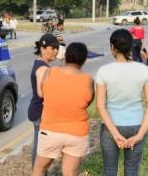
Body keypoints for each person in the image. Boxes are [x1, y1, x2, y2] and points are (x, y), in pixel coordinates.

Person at [32, 42, 93, 176]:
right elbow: (88, 101)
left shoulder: (49, 72)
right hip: (77, 132)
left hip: (50, 130)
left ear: (65, 56)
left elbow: (42, 94)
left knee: (39, 169)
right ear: (84, 60)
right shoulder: (88, 79)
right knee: (70, 172)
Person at [96, 29, 148, 176]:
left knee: (109, 170)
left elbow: (100, 106)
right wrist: (140, 135)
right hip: (137, 126)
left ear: (112, 47)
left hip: (110, 127)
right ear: (131, 46)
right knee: (132, 171)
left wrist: (115, 133)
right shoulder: (143, 70)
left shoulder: (103, 71)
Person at [28, 34, 59, 169]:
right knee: (41, 150)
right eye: (52, 48)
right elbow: (42, 92)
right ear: (43, 49)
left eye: (57, 48)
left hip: (38, 111)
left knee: (40, 147)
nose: (56, 51)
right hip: (41, 113)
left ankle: (38, 171)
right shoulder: (43, 68)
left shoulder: (41, 64)